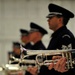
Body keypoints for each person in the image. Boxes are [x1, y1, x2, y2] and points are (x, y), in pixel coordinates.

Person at [26, 3, 75, 75]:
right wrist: (39, 72)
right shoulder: (56, 36)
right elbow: (50, 61)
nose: (48, 20)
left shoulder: (65, 36)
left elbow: (64, 65)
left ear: (60, 20)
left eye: (51, 17)